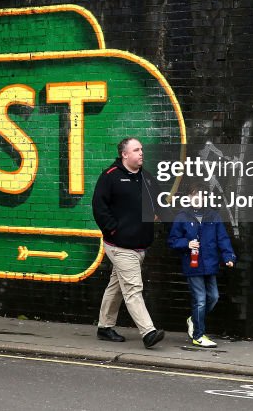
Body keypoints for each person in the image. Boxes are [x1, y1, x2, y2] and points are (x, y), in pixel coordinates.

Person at [91, 137, 165, 349]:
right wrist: (114, 230)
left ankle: (104, 327)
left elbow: (159, 199)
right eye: (136, 150)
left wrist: (158, 212)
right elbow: (99, 208)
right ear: (124, 154)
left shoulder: (146, 177)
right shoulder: (110, 177)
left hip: (140, 245)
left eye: (141, 149)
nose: (141, 153)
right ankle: (148, 332)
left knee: (116, 286)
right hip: (120, 245)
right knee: (133, 288)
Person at [166, 179, 236, 348]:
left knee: (213, 297)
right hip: (193, 265)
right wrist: (186, 244)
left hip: (210, 264)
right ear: (189, 197)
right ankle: (198, 335)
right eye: (194, 196)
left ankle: (193, 319)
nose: (197, 199)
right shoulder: (182, 217)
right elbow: (172, 241)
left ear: (206, 198)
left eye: (201, 196)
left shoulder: (214, 216)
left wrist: (229, 256)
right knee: (201, 299)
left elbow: (223, 239)